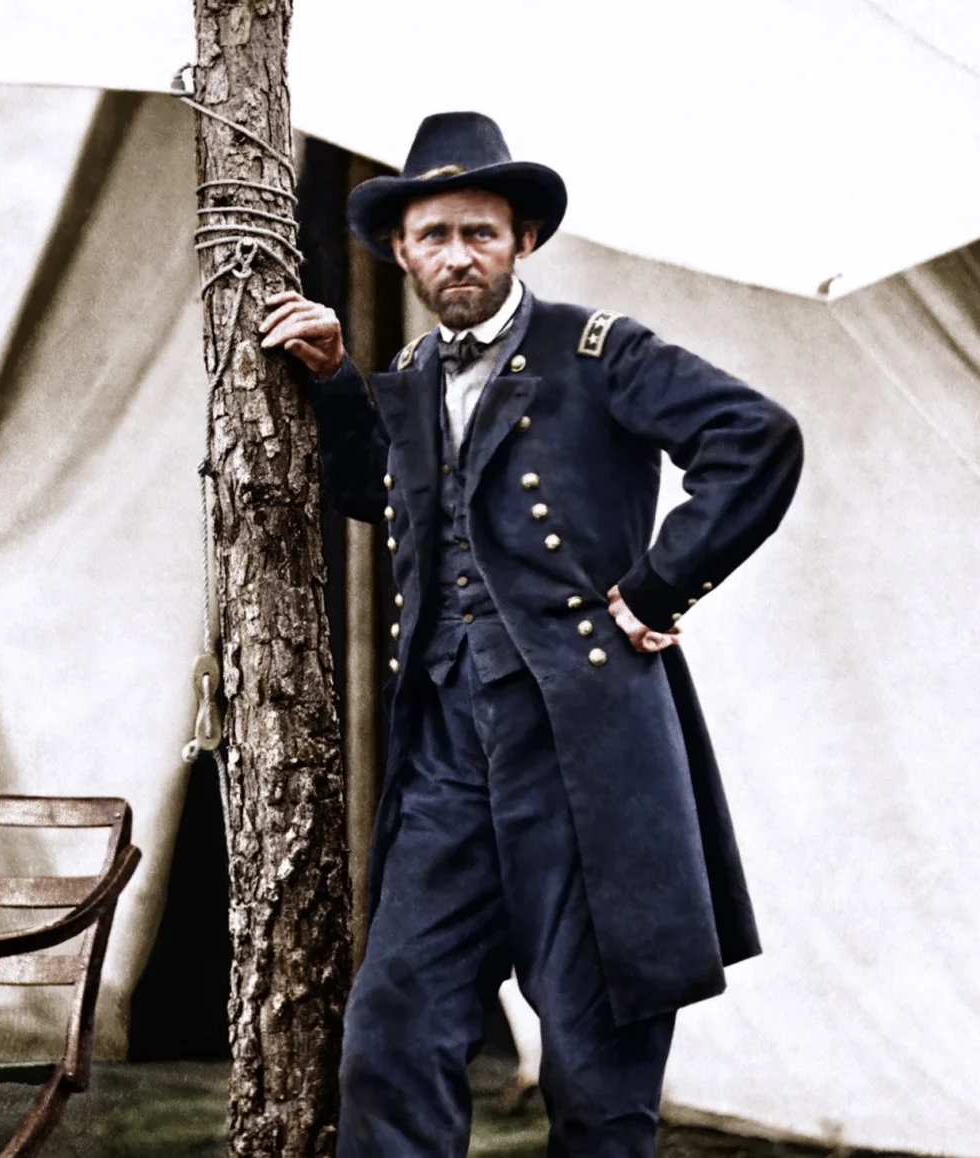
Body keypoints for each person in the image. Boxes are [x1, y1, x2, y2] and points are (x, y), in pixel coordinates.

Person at [260, 111, 804, 1158]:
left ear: (523, 241)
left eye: (480, 232)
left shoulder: (599, 351)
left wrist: (657, 589)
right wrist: (334, 380)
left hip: (585, 759)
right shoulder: (413, 370)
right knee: (390, 1034)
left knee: (597, 1073)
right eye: (434, 235)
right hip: (445, 764)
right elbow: (383, 493)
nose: (457, 255)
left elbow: (756, 437)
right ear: (402, 251)